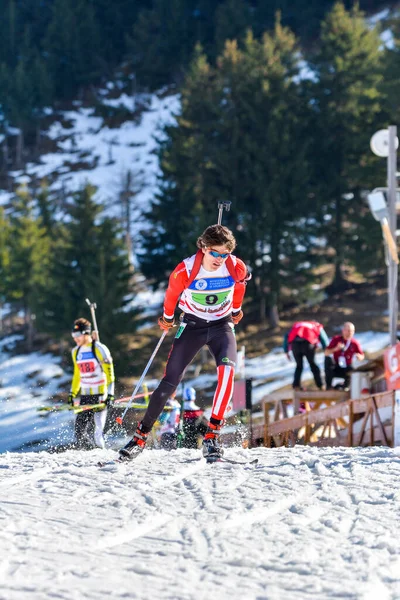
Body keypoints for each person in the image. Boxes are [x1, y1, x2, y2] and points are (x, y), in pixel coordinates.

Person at [119, 224, 250, 461]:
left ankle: (212, 437)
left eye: (224, 254)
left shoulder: (234, 265)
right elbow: (171, 294)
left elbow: (240, 283)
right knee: (170, 380)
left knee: (228, 374)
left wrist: (236, 308)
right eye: (215, 253)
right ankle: (140, 438)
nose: (219, 259)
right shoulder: (186, 269)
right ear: (203, 247)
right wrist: (167, 318)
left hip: (221, 326)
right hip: (192, 326)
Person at [69, 318, 115, 449]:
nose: (75, 338)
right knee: (79, 432)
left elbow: (110, 375)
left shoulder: (100, 349)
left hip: (100, 396)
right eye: (73, 335)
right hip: (85, 396)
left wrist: (110, 394)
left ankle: (101, 456)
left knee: (97, 433)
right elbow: (77, 375)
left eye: (77, 335)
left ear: (86, 333)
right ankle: (88, 457)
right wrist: (72, 393)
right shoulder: (76, 352)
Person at [283, 320, 329, 390]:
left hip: (295, 345)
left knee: (299, 366)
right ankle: (320, 385)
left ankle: (296, 385)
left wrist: (286, 351)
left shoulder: (297, 325)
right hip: (308, 344)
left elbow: (287, 335)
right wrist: (326, 348)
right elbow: (323, 338)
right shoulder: (316, 325)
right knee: (313, 364)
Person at [324, 322, 365, 390]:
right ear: (343, 330)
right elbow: (326, 353)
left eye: (352, 331)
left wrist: (359, 357)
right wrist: (336, 349)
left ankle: (346, 386)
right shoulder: (336, 339)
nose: (350, 333)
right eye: (348, 330)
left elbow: (362, 355)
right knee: (328, 361)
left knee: (352, 369)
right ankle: (329, 387)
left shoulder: (354, 343)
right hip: (336, 367)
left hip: (347, 368)